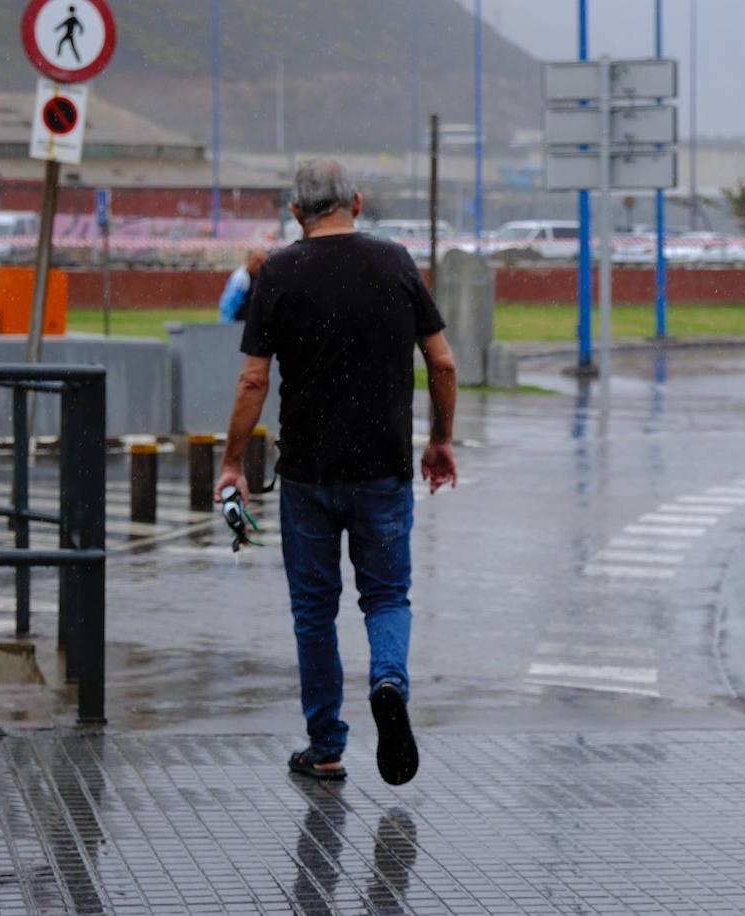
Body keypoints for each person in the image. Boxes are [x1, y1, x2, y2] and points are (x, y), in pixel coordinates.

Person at [215, 159, 457, 786]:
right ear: (355, 200)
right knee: (385, 596)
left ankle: (324, 746)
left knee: (314, 611)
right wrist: (439, 441)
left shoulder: (279, 272)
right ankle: (387, 682)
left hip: (307, 474)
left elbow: (252, 378)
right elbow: (443, 362)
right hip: (382, 468)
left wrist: (232, 461)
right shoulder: (395, 262)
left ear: (296, 212)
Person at [217, 249, 267, 323]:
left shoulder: (264, 277)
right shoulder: (240, 278)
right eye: (257, 261)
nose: (259, 265)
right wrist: (226, 324)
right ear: (248, 260)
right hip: (239, 323)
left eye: (263, 261)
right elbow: (229, 303)